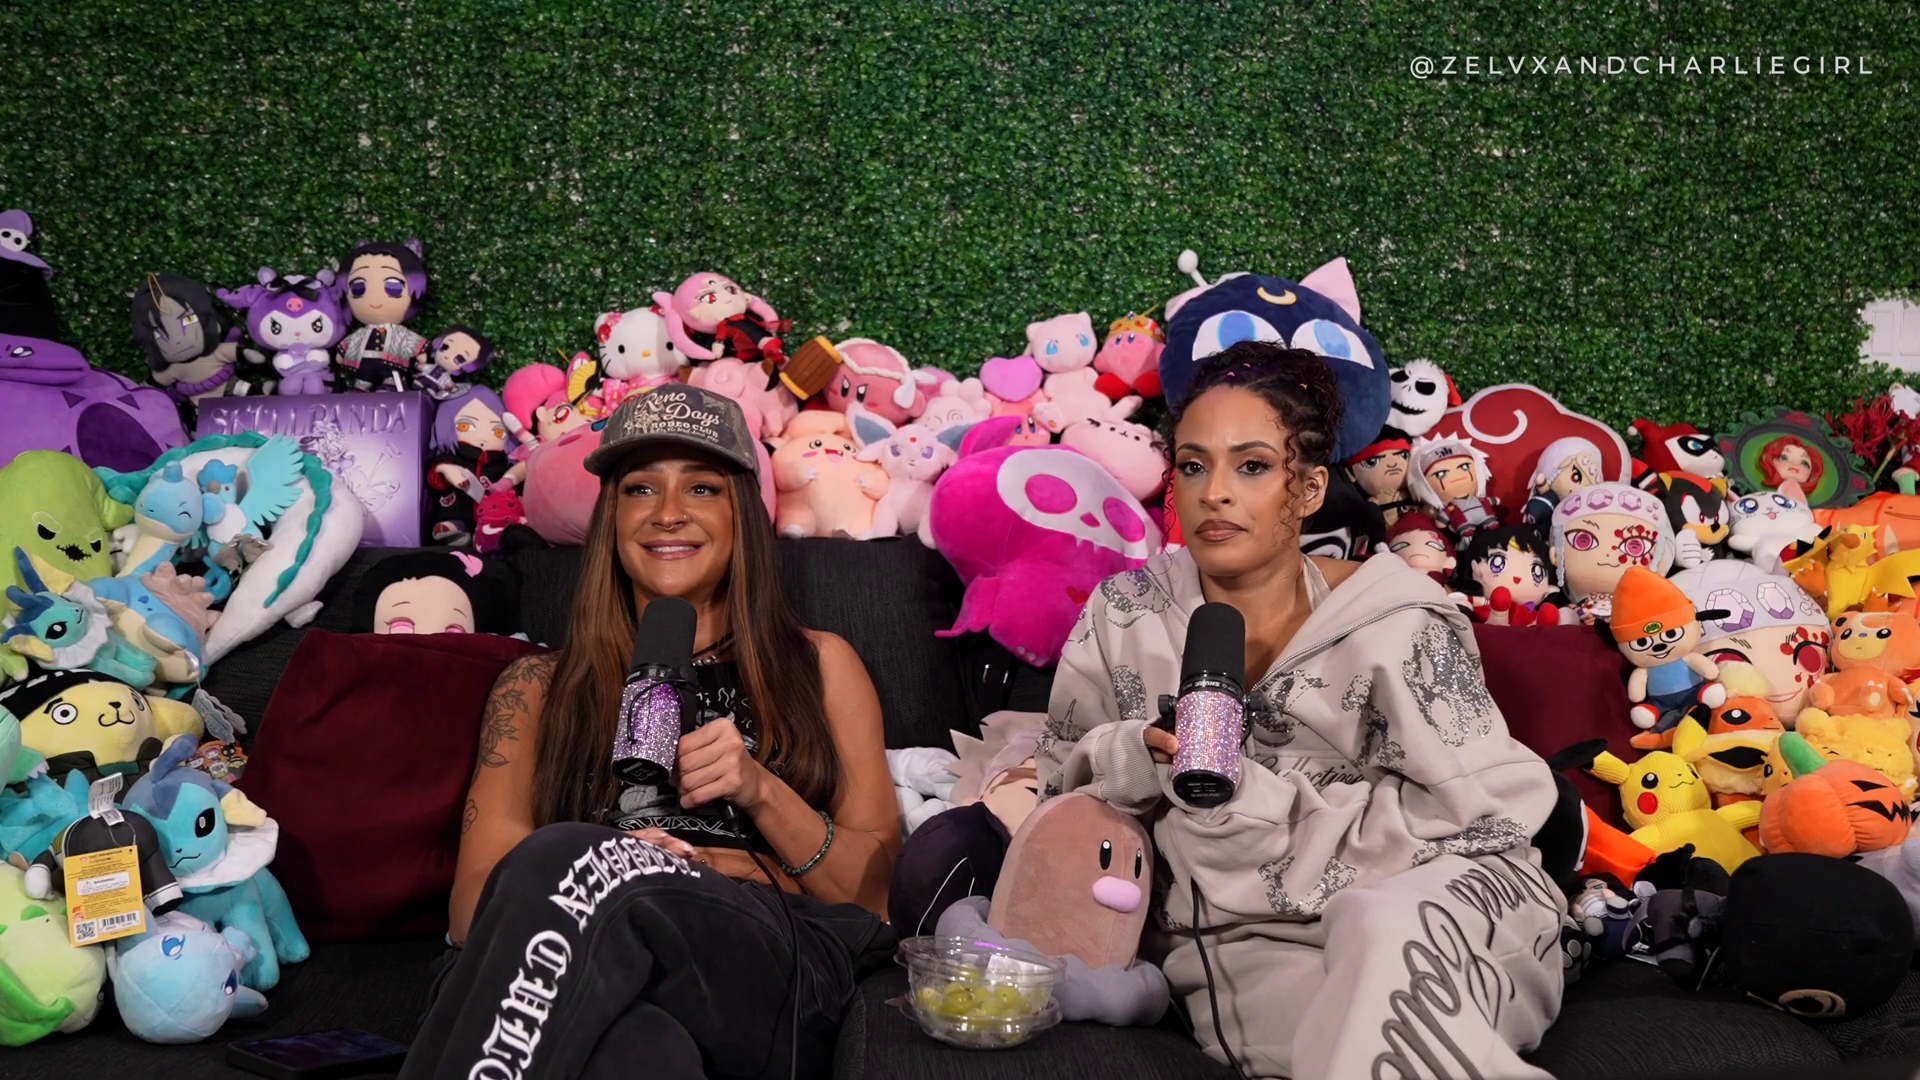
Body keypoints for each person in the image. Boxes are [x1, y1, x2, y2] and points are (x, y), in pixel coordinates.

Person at [1039, 341, 1568, 1079]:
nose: (1214, 493)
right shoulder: (1125, 614)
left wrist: (1260, 812)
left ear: (1311, 488)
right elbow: (1057, 794)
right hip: (1240, 939)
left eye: (1252, 466)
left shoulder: (1397, 618)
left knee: (1383, 929)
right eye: (1192, 466)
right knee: (1328, 1043)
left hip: (1439, 896)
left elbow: (1480, 813)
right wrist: (1134, 754)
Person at [401, 385, 900, 1080]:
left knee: (565, 862)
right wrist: (622, 867)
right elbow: (470, 912)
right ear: (612, 518)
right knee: (637, 1052)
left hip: (766, 965)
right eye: (640, 489)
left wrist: (761, 792)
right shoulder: (536, 687)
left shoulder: (820, 664)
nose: (668, 512)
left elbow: (873, 900)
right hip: (576, 959)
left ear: (742, 512)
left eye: (701, 488)